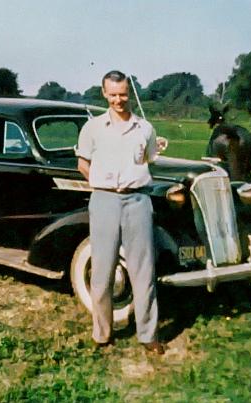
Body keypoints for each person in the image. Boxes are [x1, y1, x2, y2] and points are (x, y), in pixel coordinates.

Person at [76, 70, 164, 355]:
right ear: (104, 93)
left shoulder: (145, 128)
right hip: (104, 202)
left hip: (138, 201)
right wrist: (102, 186)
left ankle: (148, 334)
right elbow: (83, 163)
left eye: (123, 94)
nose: (118, 100)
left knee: (143, 271)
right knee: (101, 271)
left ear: (130, 92)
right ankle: (102, 333)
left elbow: (149, 159)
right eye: (112, 94)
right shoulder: (93, 128)